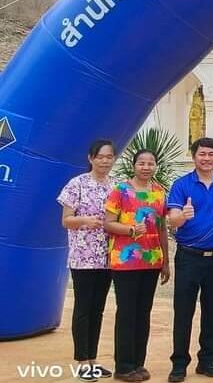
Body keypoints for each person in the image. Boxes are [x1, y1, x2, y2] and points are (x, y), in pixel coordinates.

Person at [166, 137, 213, 382]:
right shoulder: (181, 185)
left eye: (211, 154)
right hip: (188, 256)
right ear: (194, 156)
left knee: (212, 310)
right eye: (202, 154)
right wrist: (183, 216)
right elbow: (172, 220)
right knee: (183, 311)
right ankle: (179, 363)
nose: (206, 158)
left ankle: (207, 360)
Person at [103, 150, 170, 382]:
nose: (146, 167)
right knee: (127, 313)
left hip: (151, 260)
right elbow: (108, 223)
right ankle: (123, 366)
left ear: (156, 166)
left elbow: (162, 228)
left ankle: (138, 363)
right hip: (125, 261)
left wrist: (165, 261)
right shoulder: (120, 190)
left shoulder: (159, 192)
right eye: (142, 163)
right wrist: (130, 229)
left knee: (143, 313)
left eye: (151, 163)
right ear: (134, 165)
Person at [58, 139, 118, 382]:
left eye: (109, 157)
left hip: (107, 257)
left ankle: (93, 359)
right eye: (100, 156)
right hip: (83, 257)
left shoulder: (116, 186)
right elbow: (66, 220)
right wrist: (85, 220)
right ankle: (82, 361)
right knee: (83, 308)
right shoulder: (77, 184)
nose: (105, 161)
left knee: (98, 309)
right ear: (91, 158)